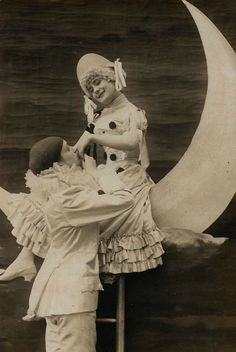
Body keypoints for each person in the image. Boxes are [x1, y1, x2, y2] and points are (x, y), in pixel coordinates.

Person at [0, 136, 135, 352]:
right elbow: (125, 199)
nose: (75, 149)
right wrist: (101, 172)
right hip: (71, 300)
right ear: (57, 165)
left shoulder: (57, 195)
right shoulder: (68, 199)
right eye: (67, 149)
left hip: (58, 298)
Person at [74, 53, 164, 274]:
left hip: (129, 177)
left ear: (112, 78)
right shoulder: (98, 117)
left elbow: (132, 142)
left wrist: (94, 137)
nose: (96, 91)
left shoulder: (132, 112)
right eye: (91, 89)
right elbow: (78, 150)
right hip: (106, 176)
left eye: (98, 82)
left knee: (104, 221)